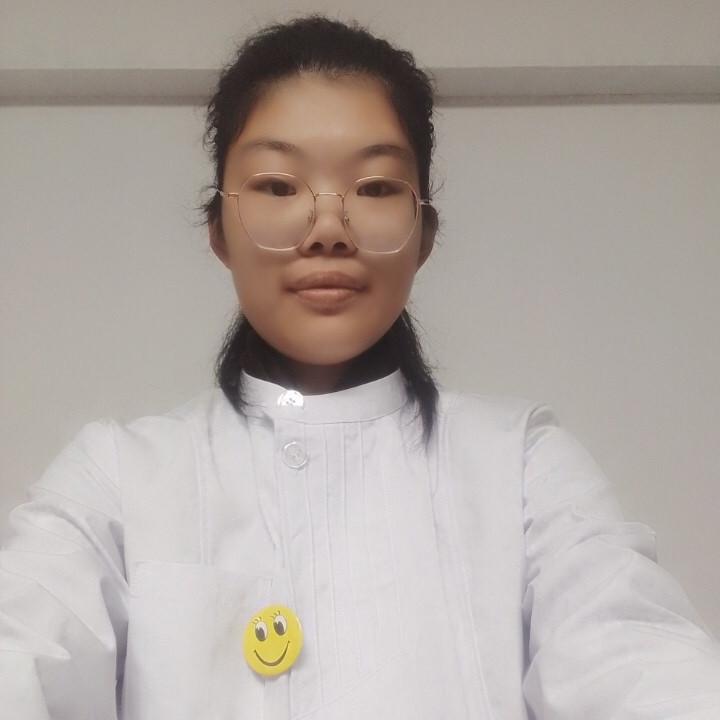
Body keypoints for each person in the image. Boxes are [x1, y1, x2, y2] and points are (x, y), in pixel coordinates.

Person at [1, 15, 720, 720]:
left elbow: (634, 655)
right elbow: (22, 651)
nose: (328, 229)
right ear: (218, 229)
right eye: (278, 186)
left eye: (374, 188)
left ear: (424, 232)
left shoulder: (521, 466)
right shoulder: (118, 479)